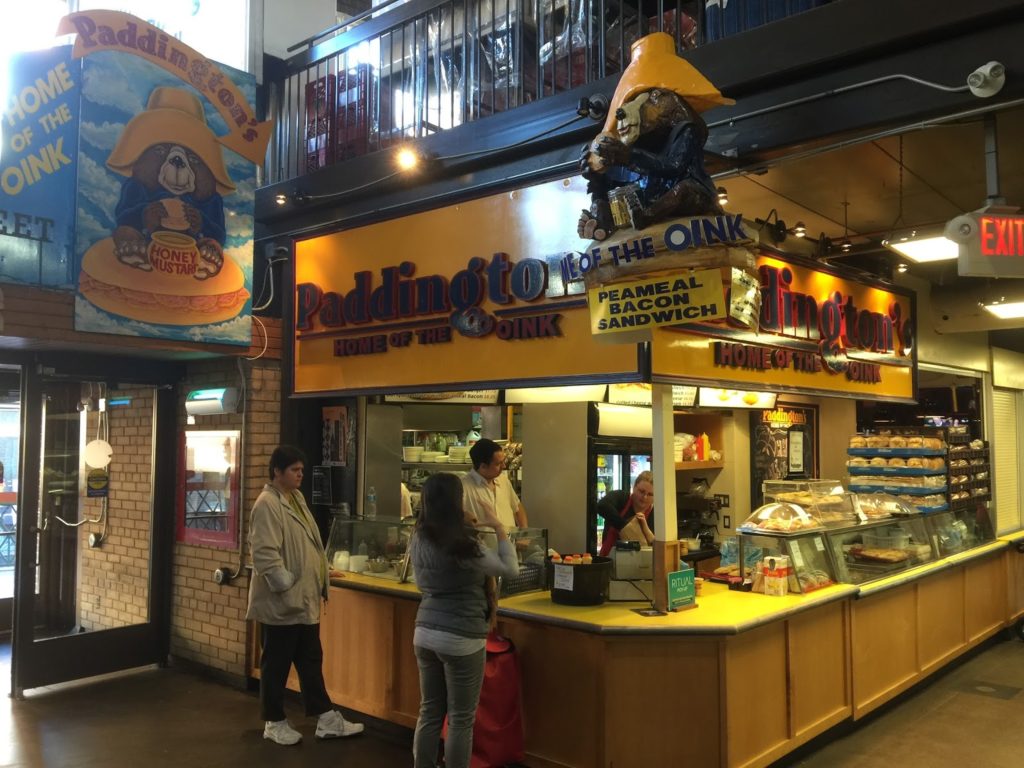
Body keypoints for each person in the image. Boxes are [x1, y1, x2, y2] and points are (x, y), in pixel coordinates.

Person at [245, 445, 365, 746]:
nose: (300, 475)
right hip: (283, 603)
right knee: (276, 665)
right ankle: (273, 722)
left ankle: (326, 719)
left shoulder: (295, 498)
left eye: (301, 470)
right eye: (294, 470)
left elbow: (308, 543)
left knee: (310, 661)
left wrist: (322, 570)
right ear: (277, 471)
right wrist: (285, 583)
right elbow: (265, 554)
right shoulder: (267, 504)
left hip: (304, 601)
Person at [411, 472, 520, 768]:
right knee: (460, 718)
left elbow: (420, 583)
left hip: (424, 633)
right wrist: (499, 528)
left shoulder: (418, 537)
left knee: (429, 711)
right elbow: (509, 569)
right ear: (456, 501)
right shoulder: (464, 544)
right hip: (462, 636)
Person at [462, 438, 528, 529]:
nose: (504, 466)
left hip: (509, 538)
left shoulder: (503, 480)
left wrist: (524, 532)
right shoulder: (463, 487)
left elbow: (517, 507)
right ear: (483, 466)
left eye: (503, 461)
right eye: (498, 464)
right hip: (484, 539)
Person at [598, 470, 655, 556]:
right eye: (641, 491)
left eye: (650, 494)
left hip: (642, 561)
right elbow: (602, 506)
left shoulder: (656, 515)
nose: (644, 497)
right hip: (609, 558)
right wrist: (626, 528)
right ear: (634, 487)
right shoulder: (621, 497)